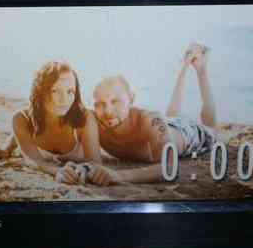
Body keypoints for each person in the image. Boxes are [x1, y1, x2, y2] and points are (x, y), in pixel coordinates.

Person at [86, 43, 218, 185]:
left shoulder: (149, 120)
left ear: (131, 99)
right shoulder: (93, 123)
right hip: (168, 124)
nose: (107, 111)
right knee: (171, 117)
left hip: (186, 134)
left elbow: (169, 168)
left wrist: (119, 176)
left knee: (211, 130)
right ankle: (184, 67)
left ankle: (201, 70)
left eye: (115, 102)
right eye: (100, 104)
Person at [0, 61, 107, 185]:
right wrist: (57, 171)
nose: (64, 100)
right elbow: (33, 160)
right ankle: (7, 147)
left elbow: (95, 163)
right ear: (40, 92)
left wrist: (86, 168)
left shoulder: (85, 118)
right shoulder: (21, 119)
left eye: (70, 91)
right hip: (35, 120)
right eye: (55, 91)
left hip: (49, 121)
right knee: (31, 122)